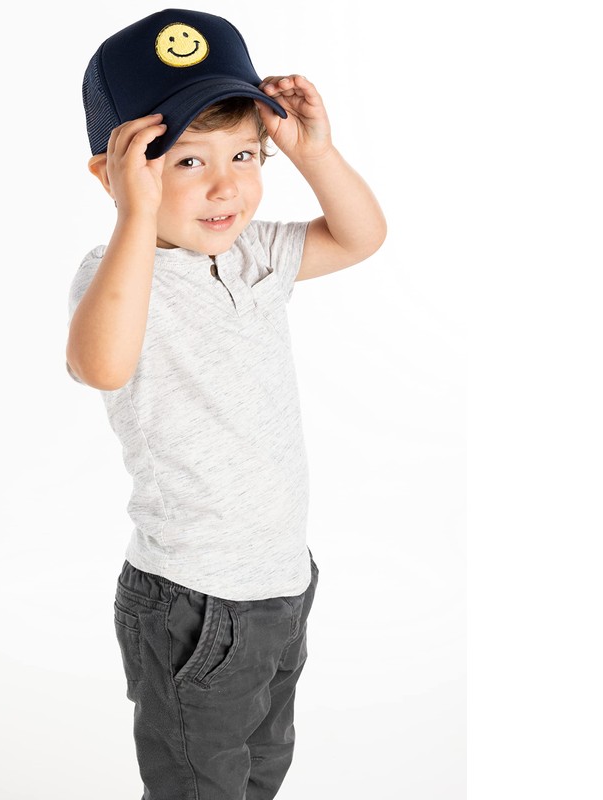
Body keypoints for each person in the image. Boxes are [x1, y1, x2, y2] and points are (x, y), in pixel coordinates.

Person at [65, 8, 386, 799]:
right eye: (186, 160)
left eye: (245, 154)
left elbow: (360, 237)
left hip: (283, 585)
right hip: (193, 603)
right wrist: (136, 217)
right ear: (113, 174)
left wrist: (316, 154)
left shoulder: (255, 254)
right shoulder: (118, 272)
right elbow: (100, 364)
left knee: (258, 776)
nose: (226, 185)